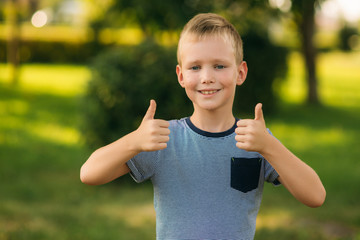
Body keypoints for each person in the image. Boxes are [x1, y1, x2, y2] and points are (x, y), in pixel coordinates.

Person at [80, 13, 326, 239]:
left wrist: (270, 146)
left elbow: (316, 196)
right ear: (181, 76)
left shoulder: (256, 140)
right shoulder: (163, 139)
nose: (207, 77)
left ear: (240, 73)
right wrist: (133, 141)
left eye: (219, 66)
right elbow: (89, 174)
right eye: (195, 67)